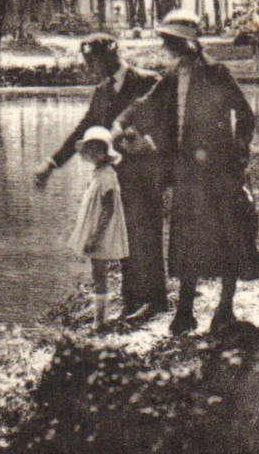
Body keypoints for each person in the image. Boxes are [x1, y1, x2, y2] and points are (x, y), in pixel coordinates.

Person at [114, 10, 259, 336]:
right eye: (166, 42)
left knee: (229, 236)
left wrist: (239, 156)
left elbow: (246, 116)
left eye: (171, 41)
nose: (167, 47)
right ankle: (185, 312)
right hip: (186, 172)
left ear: (187, 43)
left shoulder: (216, 73)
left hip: (220, 172)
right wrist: (122, 122)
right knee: (186, 238)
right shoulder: (172, 75)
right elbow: (145, 104)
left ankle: (225, 308)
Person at [34, 33, 168, 320]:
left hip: (145, 171)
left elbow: (166, 123)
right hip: (115, 175)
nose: (90, 67)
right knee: (122, 235)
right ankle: (132, 301)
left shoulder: (148, 81)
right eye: (87, 62)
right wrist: (52, 163)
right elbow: (82, 131)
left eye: (93, 61)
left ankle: (155, 301)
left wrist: (147, 142)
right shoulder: (102, 92)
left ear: (110, 55)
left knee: (146, 234)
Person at [69, 126, 128, 327]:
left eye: (98, 149)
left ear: (106, 152)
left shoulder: (107, 175)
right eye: (90, 150)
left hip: (102, 231)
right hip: (96, 228)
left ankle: (100, 321)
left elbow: (109, 208)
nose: (94, 154)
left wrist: (95, 236)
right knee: (97, 271)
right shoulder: (97, 173)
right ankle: (99, 318)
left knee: (100, 273)